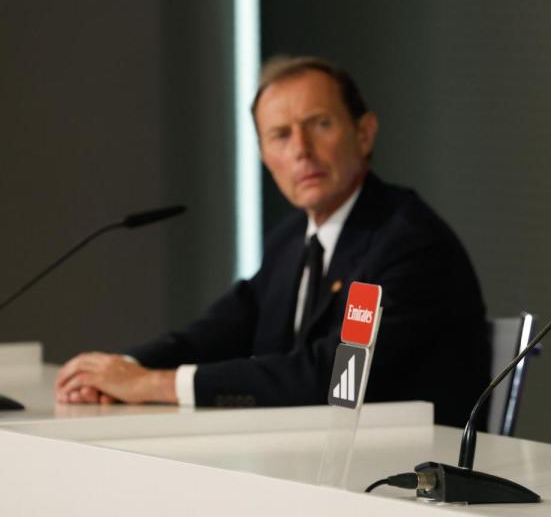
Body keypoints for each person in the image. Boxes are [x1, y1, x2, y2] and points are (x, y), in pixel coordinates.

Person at [55, 56, 491, 428]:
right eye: (280, 135)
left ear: (364, 132)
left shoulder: (407, 242)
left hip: (408, 477)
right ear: (264, 156)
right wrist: (122, 369)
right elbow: (220, 331)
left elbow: (337, 375)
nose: (301, 149)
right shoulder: (291, 240)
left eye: (320, 125)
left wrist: (155, 385)